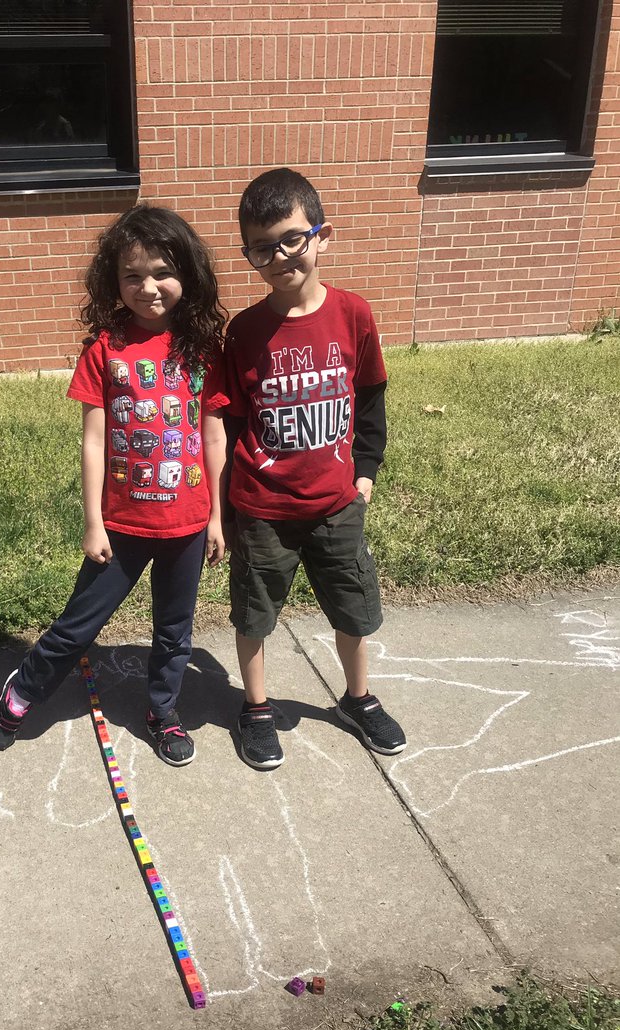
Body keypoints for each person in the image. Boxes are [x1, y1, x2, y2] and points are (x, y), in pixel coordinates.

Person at [0, 205, 228, 765]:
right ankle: (22, 691)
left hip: (187, 523)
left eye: (162, 272)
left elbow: (212, 437)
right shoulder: (106, 348)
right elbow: (94, 440)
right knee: (77, 626)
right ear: (113, 282)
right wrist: (93, 520)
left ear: (187, 274)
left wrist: (216, 516)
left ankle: (163, 714)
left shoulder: (202, 350)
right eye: (132, 275)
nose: (148, 287)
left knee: (174, 632)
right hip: (120, 526)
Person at [213, 168, 406, 769]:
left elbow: (370, 396)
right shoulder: (243, 332)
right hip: (263, 507)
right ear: (249, 254)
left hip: (336, 502)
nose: (280, 255)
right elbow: (231, 424)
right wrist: (225, 509)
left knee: (352, 607)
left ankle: (357, 698)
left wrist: (366, 469)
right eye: (262, 246)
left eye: (292, 238)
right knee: (254, 610)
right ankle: (257, 707)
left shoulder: (354, 314)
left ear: (322, 236)